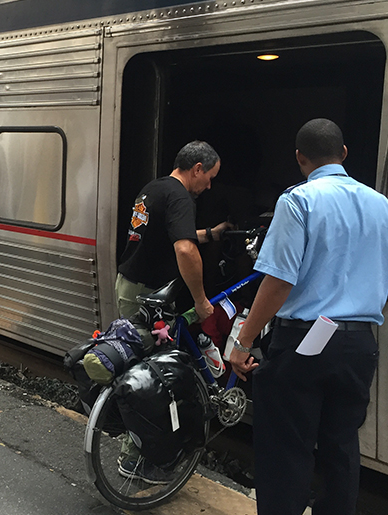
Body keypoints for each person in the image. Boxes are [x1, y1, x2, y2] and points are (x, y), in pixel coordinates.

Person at [228, 119, 388, 515]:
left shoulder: (298, 201)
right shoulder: (382, 205)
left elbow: (278, 281)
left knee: (286, 449)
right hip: (360, 344)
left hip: (304, 341)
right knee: (341, 445)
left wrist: (242, 342)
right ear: (343, 154)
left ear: (299, 158)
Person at [115, 140, 230, 483]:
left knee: (135, 368)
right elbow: (183, 248)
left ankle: (132, 447)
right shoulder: (181, 197)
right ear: (197, 169)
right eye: (209, 177)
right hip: (152, 297)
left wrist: (208, 235)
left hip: (130, 287)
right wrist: (200, 299)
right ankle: (139, 461)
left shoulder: (153, 189)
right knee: (154, 382)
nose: (209, 185)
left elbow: (167, 235)